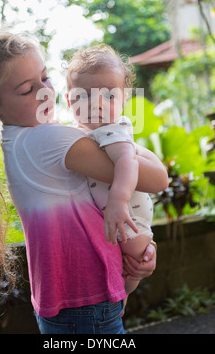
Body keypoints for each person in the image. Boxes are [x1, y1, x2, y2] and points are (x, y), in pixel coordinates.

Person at [0, 32, 168, 334]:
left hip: (69, 302)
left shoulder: (23, 139)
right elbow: (157, 178)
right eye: (27, 90)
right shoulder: (48, 140)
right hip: (86, 302)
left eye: (45, 78)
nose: (44, 91)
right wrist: (123, 138)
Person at [65, 44, 155, 297]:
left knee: (135, 256)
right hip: (111, 214)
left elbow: (128, 161)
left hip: (129, 215)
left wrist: (119, 200)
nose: (96, 104)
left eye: (109, 96)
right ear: (67, 99)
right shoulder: (79, 132)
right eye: (83, 96)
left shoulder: (112, 129)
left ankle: (124, 296)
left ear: (124, 100)